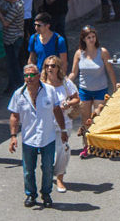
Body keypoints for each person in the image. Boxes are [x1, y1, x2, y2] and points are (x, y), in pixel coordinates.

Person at [9, 63, 68, 209]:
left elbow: (57, 110)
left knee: (48, 168)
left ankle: (46, 194)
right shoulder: (18, 94)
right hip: (28, 138)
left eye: (32, 75)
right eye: (26, 75)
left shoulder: (49, 91)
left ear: (38, 75)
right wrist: (13, 136)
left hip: (48, 136)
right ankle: (30, 194)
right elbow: (14, 116)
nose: (29, 78)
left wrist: (63, 130)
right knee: (28, 169)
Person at [68, 26, 117, 159]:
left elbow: (110, 70)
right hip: (84, 90)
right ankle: (86, 146)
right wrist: (65, 83)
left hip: (100, 89)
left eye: (93, 37)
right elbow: (74, 72)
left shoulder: (102, 52)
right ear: (83, 39)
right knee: (85, 120)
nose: (91, 39)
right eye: (88, 37)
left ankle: (100, 145)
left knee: (98, 118)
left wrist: (115, 87)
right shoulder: (79, 54)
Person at [40, 55, 79, 194]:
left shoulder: (65, 83)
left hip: (64, 123)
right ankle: (48, 173)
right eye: (47, 66)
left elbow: (76, 99)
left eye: (53, 66)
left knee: (63, 150)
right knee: (48, 152)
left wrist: (67, 103)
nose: (49, 68)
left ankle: (60, 177)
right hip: (46, 124)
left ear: (58, 68)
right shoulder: (41, 83)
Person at [0, 0, 25, 93]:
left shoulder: (16, 6)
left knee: (13, 64)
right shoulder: (15, 4)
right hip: (12, 38)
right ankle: (14, 84)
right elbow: (8, 13)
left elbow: (6, 23)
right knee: (13, 63)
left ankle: (18, 84)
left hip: (13, 39)